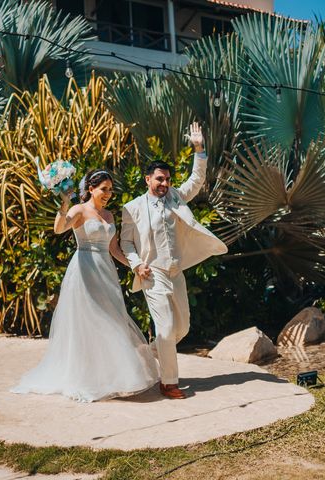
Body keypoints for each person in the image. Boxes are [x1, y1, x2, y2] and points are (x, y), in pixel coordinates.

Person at [11, 169, 159, 402]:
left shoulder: (110, 215)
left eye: (110, 189)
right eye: (104, 189)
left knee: (112, 320)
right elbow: (59, 228)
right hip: (84, 270)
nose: (108, 193)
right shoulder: (78, 210)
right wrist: (64, 203)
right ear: (91, 189)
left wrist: (135, 266)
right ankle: (86, 378)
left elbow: (114, 249)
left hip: (106, 272)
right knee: (88, 322)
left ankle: (112, 376)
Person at [120, 122, 228, 399]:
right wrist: (135, 263)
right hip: (151, 274)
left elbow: (197, 179)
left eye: (167, 179)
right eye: (159, 179)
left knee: (182, 328)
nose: (164, 184)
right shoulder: (132, 208)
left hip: (175, 272)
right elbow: (126, 242)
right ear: (147, 179)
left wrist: (199, 148)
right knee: (166, 328)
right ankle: (169, 382)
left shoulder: (176, 197)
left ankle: (155, 351)